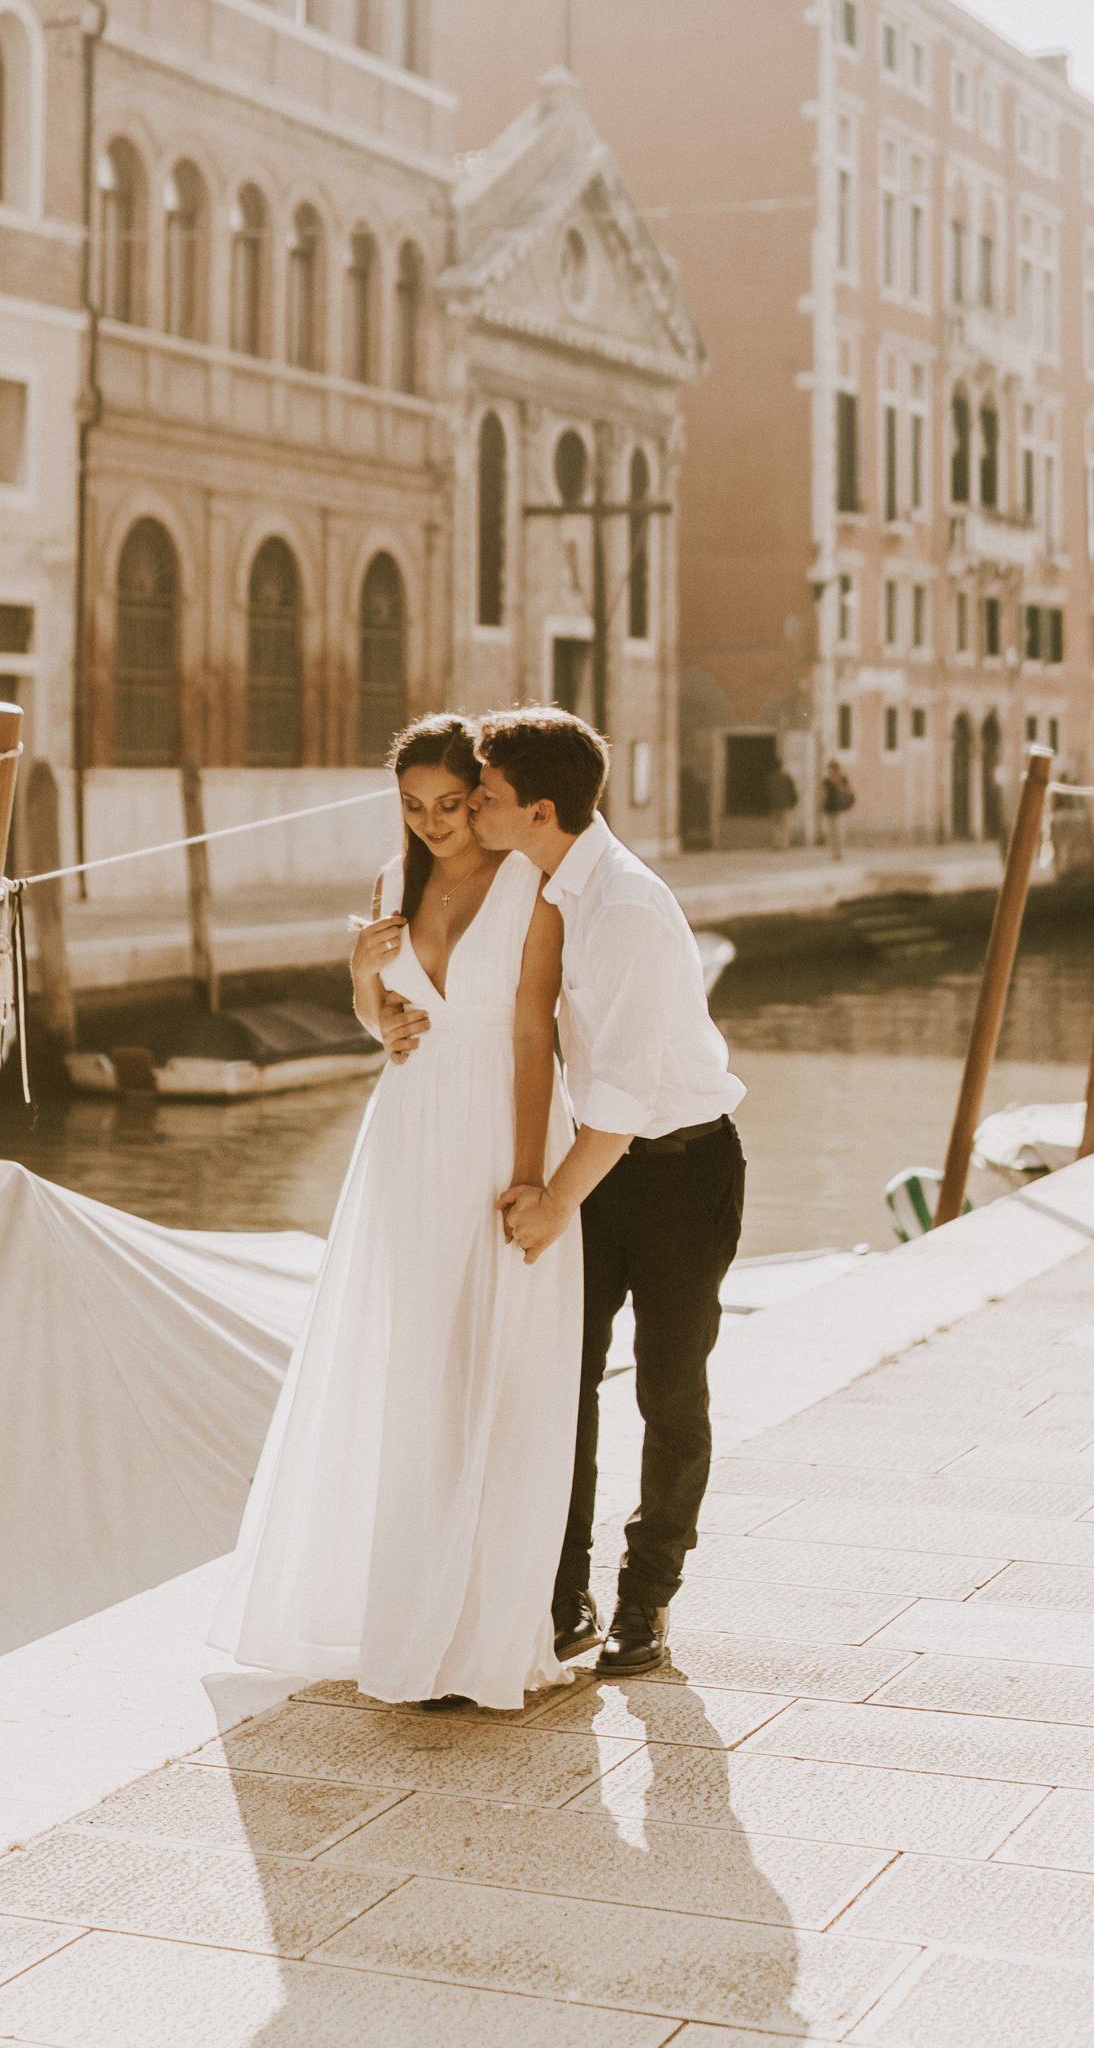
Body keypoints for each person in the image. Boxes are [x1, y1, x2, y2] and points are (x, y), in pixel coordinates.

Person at [213, 714, 581, 1711]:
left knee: (494, 1374)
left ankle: (484, 1631)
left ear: (485, 796)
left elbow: (532, 1038)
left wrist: (525, 1176)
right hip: (409, 1135)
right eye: (414, 808)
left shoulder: (530, 882)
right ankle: (407, 1618)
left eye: (452, 806)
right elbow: (387, 1028)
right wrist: (360, 983)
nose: (433, 826)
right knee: (414, 1369)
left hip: (501, 1131)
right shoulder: (389, 885)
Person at [471, 707, 746, 1681]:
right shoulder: (549, 880)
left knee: (670, 1390)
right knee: (564, 1382)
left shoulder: (620, 908)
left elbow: (624, 1100)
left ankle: (645, 1600)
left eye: (487, 796)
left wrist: (549, 1202)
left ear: (539, 809)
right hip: (609, 1166)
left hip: (677, 1172)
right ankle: (560, 1597)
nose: (472, 807)